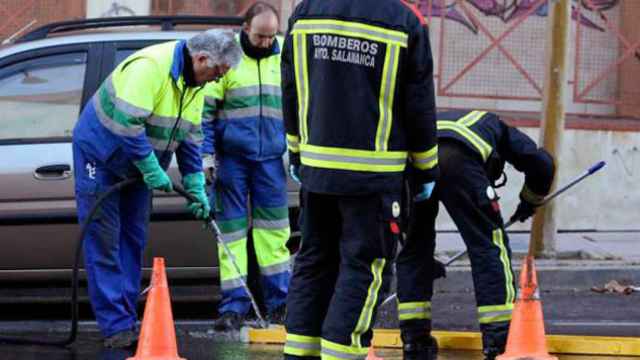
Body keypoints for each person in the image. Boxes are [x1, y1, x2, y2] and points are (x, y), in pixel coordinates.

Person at [281, 0, 439, 358]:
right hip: (373, 176)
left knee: (313, 262)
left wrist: (295, 149)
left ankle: (297, 353)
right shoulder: (404, 19)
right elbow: (419, 102)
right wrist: (427, 167)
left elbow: (289, 85)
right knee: (363, 268)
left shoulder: (307, 10)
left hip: (316, 171)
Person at [72, 29, 242, 348]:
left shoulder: (194, 83)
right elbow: (127, 123)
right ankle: (116, 327)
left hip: (136, 162)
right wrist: (151, 167)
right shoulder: (150, 67)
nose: (216, 80)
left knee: (133, 239)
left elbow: (190, 137)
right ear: (201, 58)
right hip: (101, 155)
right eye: (217, 72)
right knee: (105, 241)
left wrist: (195, 185)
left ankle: (128, 320)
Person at [396, 110, 556, 360]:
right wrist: (530, 200)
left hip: (415, 162)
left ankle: (414, 341)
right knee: (489, 245)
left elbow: (408, 225)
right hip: (458, 159)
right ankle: (498, 340)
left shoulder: (454, 120)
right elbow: (541, 163)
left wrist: (425, 261)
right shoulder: (499, 129)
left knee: (414, 250)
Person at [201, 2, 291, 331]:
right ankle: (234, 307)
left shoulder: (284, 60)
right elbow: (205, 113)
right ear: (245, 28)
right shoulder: (228, 60)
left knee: (274, 236)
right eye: (260, 36)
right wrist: (206, 157)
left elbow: (296, 109)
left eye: (271, 36)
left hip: (270, 162)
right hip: (233, 163)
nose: (266, 42)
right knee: (233, 235)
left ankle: (279, 304)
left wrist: (294, 152)